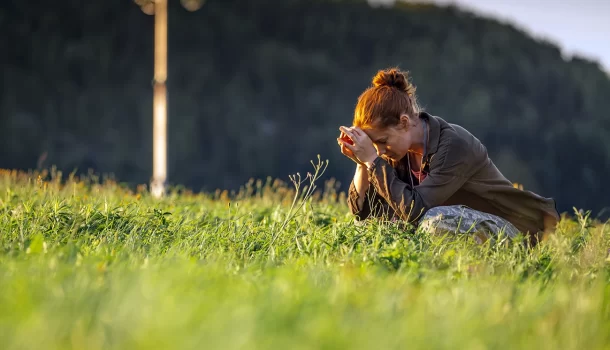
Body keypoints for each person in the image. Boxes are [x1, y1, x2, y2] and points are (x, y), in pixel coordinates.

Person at [337, 67, 560, 246]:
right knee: (365, 231)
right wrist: (363, 164)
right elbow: (364, 213)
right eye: (374, 145)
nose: (381, 151)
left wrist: (372, 161)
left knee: (434, 224)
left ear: (404, 123)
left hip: (510, 231)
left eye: (382, 142)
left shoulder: (453, 145)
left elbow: (416, 212)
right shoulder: (396, 150)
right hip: (455, 224)